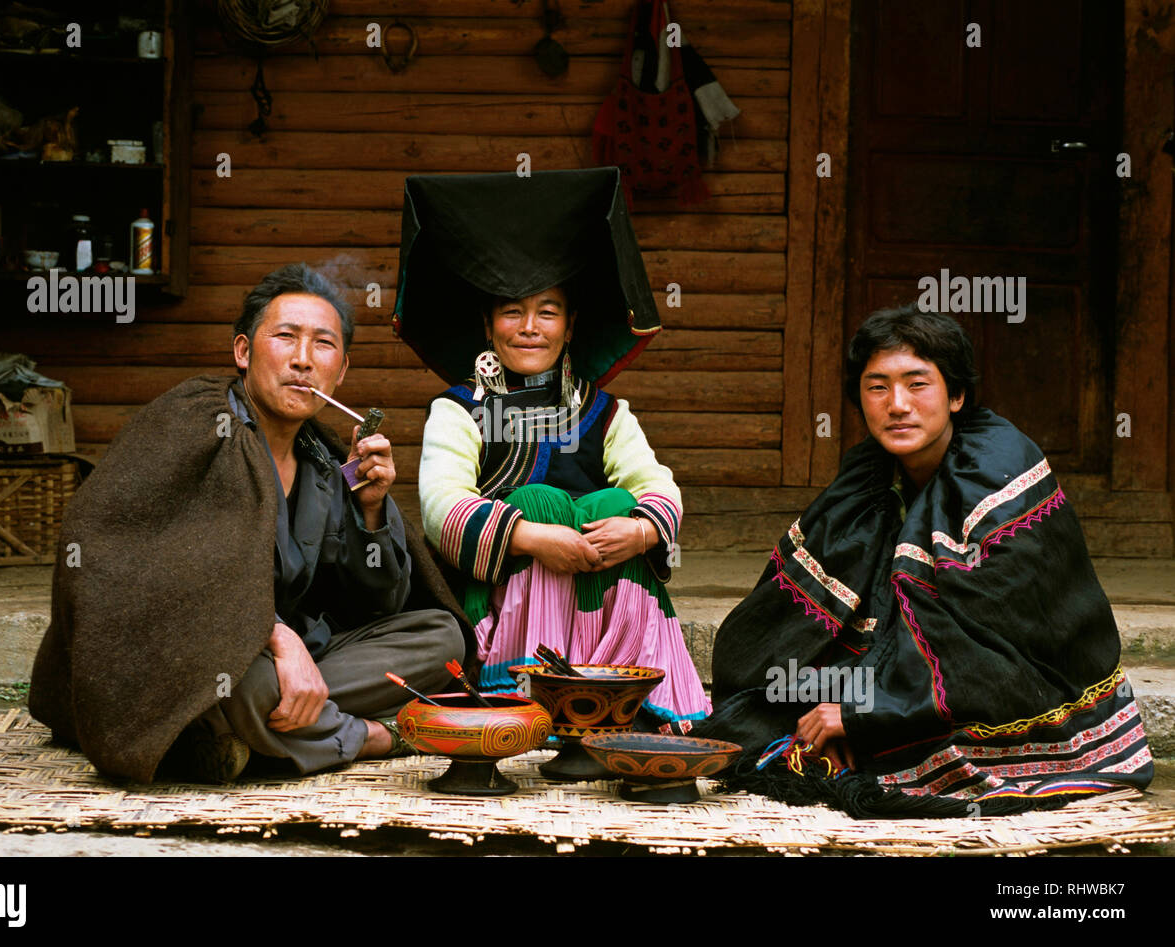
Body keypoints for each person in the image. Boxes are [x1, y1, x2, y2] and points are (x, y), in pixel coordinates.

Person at [693, 303, 1153, 817]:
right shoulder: (868, 472)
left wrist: (863, 709)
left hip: (1029, 678)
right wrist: (821, 700)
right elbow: (794, 613)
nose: (897, 405)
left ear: (956, 396)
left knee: (897, 751)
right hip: (918, 671)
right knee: (775, 715)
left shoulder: (998, 471)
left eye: (917, 384)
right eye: (877, 387)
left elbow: (989, 646)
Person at [29, 264, 468, 784]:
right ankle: (371, 736)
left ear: (341, 372)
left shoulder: (324, 462)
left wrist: (372, 511)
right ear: (243, 352)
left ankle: (246, 733)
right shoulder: (194, 419)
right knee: (238, 680)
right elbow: (141, 566)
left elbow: (373, 605)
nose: (303, 360)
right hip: (193, 652)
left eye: (323, 345)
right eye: (285, 337)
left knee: (441, 638)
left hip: (290, 662)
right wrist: (276, 638)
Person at [417, 280, 710, 726]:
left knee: (615, 503)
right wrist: (530, 536)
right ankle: (525, 692)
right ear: (489, 326)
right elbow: (441, 507)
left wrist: (641, 531)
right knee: (540, 502)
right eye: (512, 312)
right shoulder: (458, 409)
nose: (530, 328)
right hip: (501, 594)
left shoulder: (606, 411)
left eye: (548, 313)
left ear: (569, 327)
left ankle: (617, 688)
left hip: (597, 583)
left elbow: (658, 487)